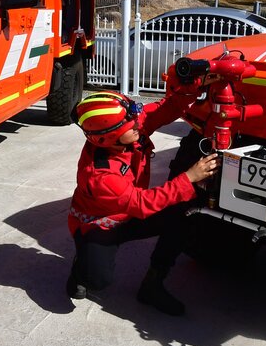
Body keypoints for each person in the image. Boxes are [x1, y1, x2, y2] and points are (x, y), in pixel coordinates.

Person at [66, 87, 219, 315]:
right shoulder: (100, 175)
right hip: (100, 225)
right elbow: (141, 203)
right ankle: (81, 268)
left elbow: (167, 109)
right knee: (97, 281)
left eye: (136, 120)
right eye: (132, 126)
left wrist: (193, 87)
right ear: (107, 138)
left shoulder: (127, 129)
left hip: (128, 214)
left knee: (182, 214)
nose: (139, 124)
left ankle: (152, 285)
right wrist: (189, 178)